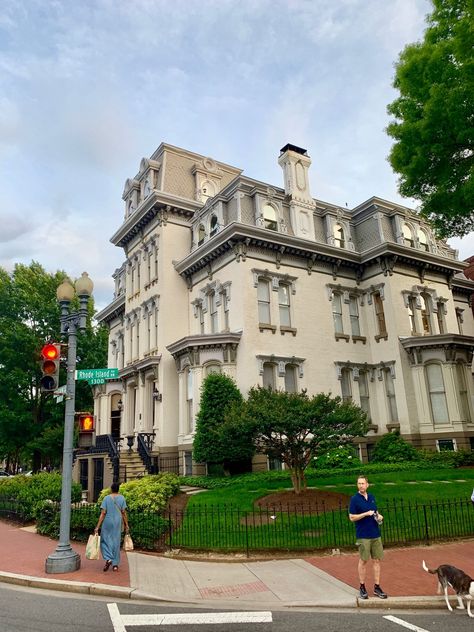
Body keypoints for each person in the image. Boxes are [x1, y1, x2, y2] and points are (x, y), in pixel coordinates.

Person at [349, 475, 387, 600]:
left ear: (367, 485)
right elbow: (352, 517)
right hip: (363, 535)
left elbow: (375, 512)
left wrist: (379, 516)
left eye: (363, 483)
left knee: (377, 560)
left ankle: (377, 586)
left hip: (375, 533)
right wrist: (365, 514)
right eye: (359, 484)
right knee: (363, 560)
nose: (361, 486)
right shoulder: (354, 499)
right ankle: (362, 586)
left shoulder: (371, 497)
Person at [94, 482, 129, 572]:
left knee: (104, 541)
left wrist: (97, 526)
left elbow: (103, 513)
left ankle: (108, 558)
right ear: (118, 489)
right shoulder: (122, 498)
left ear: (111, 489)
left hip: (107, 522)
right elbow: (124, 513)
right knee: (116, 543)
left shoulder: (106, 498)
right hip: (117, 522)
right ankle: (115, 565)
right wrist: (126, 525)